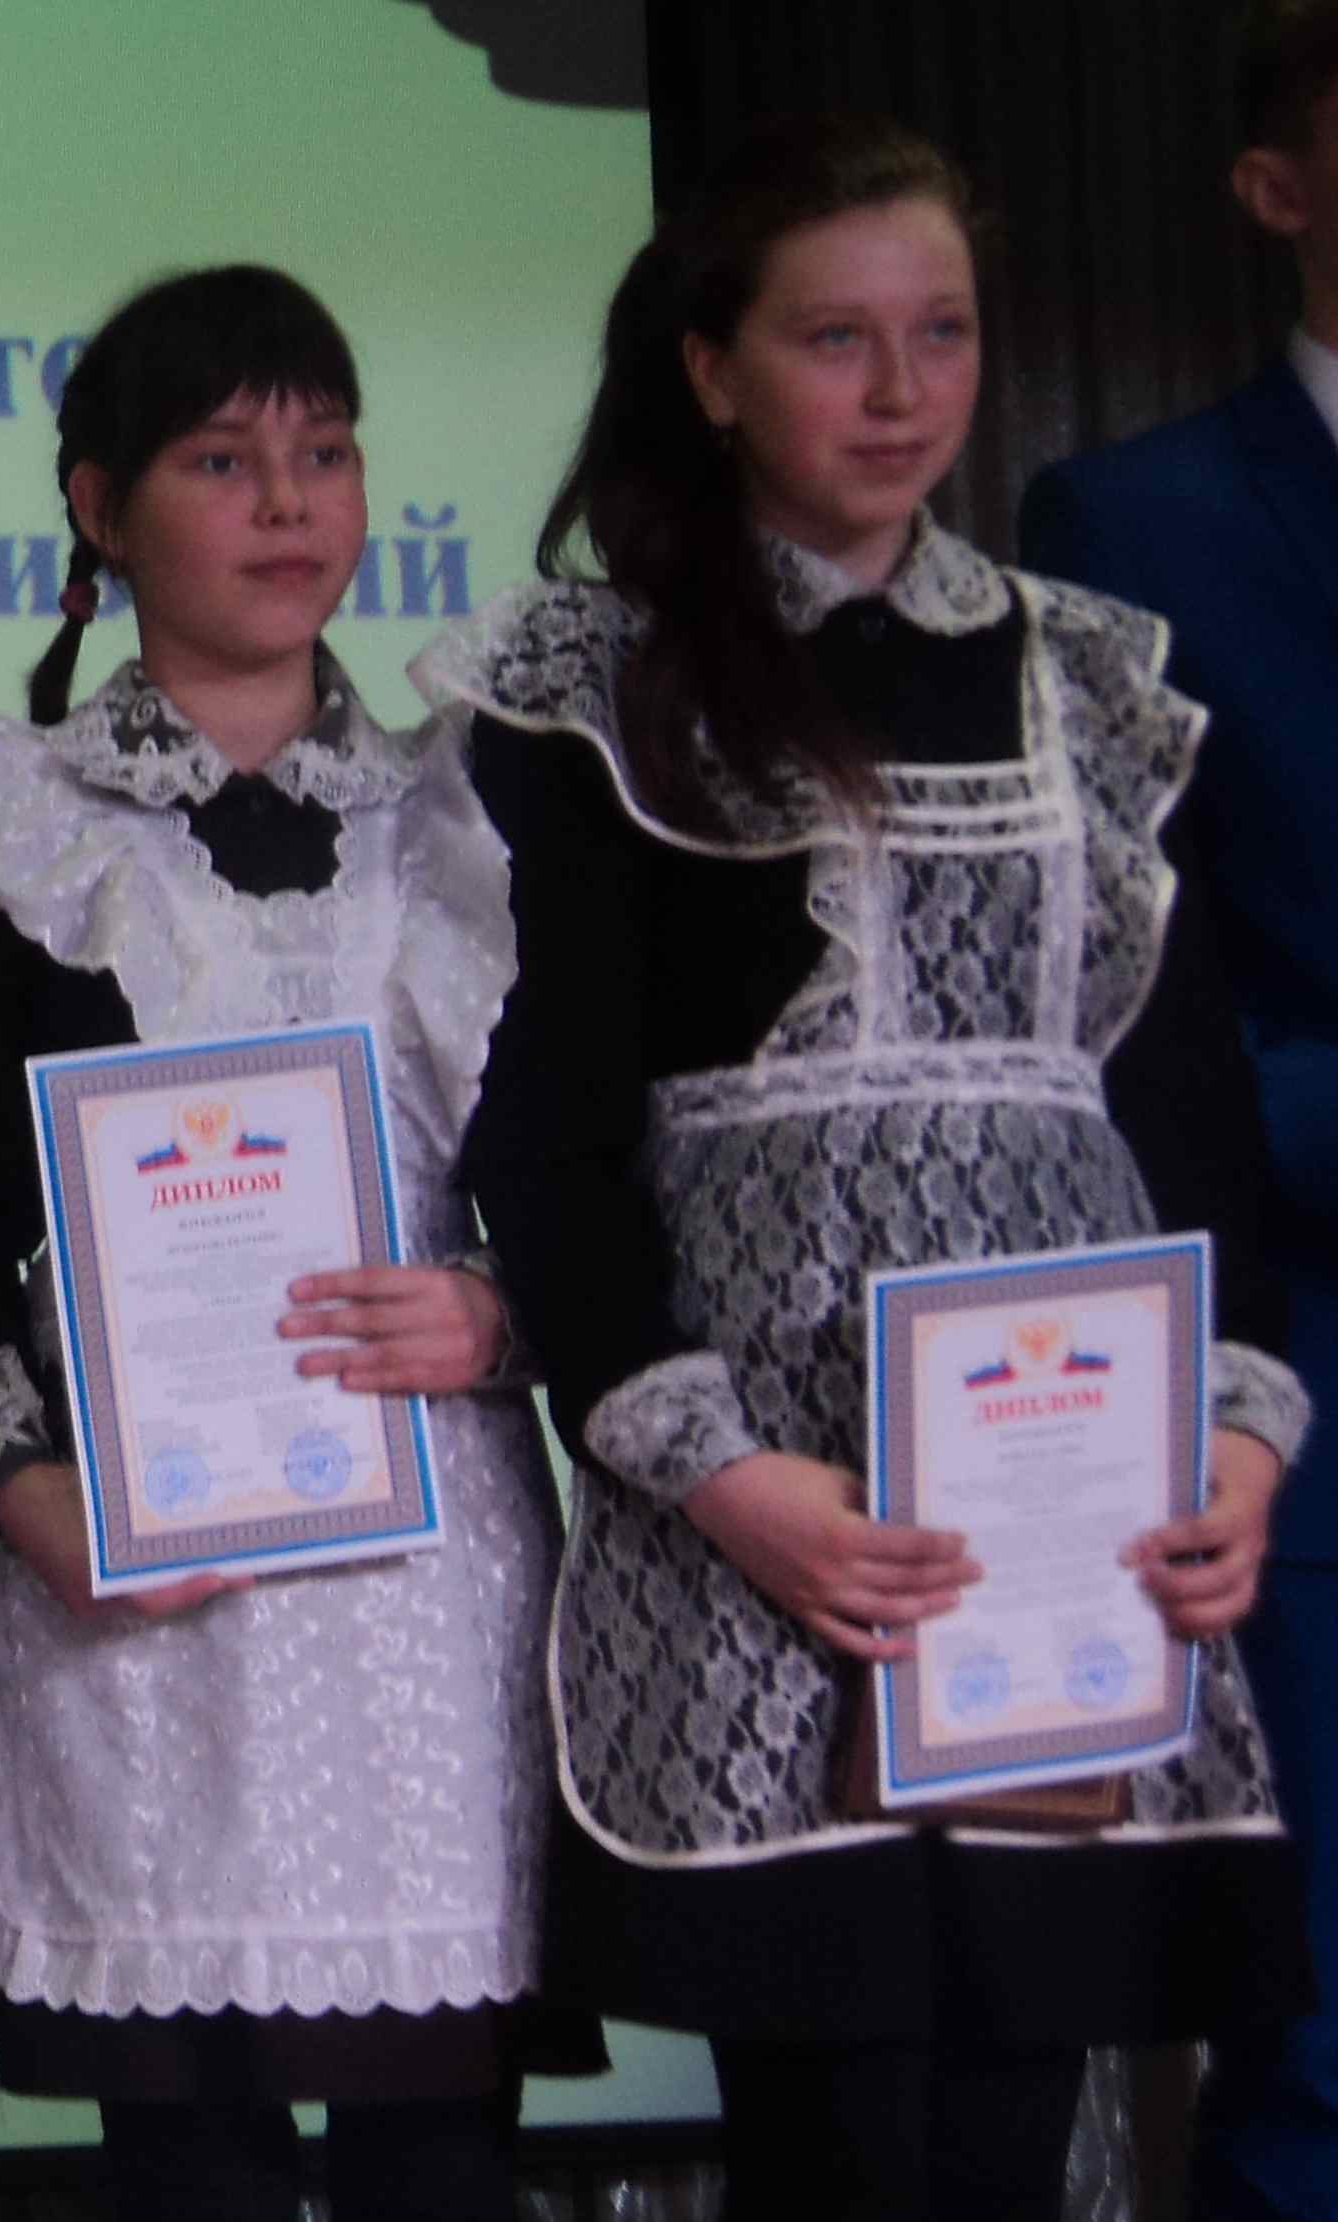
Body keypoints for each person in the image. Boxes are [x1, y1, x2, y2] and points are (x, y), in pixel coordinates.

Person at [411, 112, 1312, 2222]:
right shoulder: (593, 685)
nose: (902, 391)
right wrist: (721, 1472)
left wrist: (1234, 1435)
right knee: (836, 2142)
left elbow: (1185, 1114)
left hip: (1056, 1501)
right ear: (710, 367)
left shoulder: (1089, 676)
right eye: (836, 338)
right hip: (764, 1510)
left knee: (1010, 2122)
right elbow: (548, 1137)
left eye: (944, 332)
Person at [0, 266, 578, 2222]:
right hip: (134, 1588)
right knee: (185, 2167)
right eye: (220, 459)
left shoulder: (477, 802)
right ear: (98, 506)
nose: (288, 503)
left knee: (441, 2168)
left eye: (325, 452)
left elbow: (597, 1176)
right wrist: (16, 1482)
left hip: (431, 1591)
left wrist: (498, 1315)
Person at [1018, 0, 1338, 2216]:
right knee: (1315, 2057)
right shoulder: (1133, 519)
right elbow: (1110, 1007)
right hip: (1300, 1371)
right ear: (1271, 187)